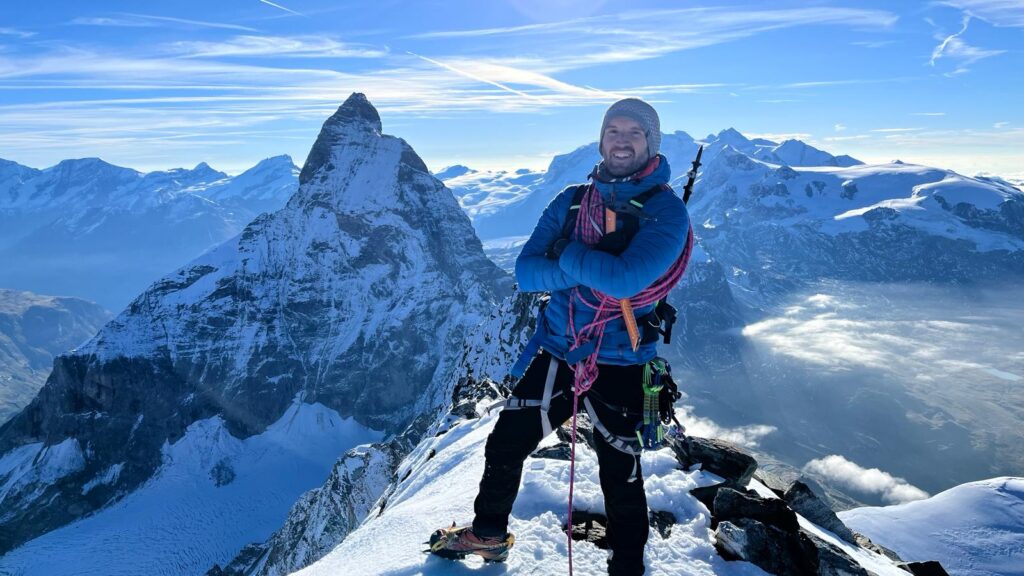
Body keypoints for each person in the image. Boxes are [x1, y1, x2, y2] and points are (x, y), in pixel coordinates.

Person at [430, 98, 691, 575]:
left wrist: (567, 254)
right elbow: (526, 273)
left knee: (620, 472)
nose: (622, 139)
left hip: (624, 358)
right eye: (613, 129)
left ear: (650, 142)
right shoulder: (572, 199)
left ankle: (628, 566)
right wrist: (595, 266)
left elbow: (626, 281)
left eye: (634, 131)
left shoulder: (667, 212)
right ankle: (488, 535)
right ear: (601, 138)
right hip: (559, 350)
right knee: (506, 442)